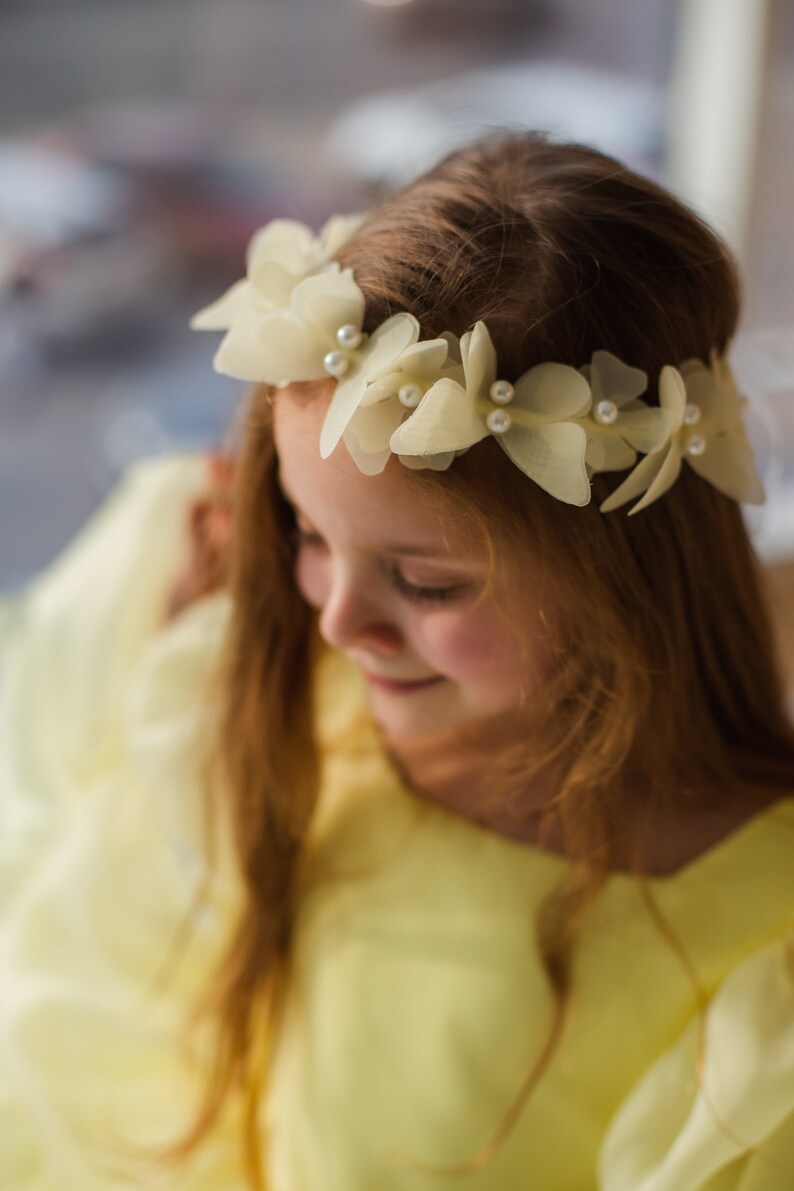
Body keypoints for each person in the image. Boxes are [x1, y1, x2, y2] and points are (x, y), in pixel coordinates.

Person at [1, 132, 793, 1191]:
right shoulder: (260, 686)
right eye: (308, 535)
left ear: (624, 570)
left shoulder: (757, 955)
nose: (336, 623)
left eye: (424, 584)